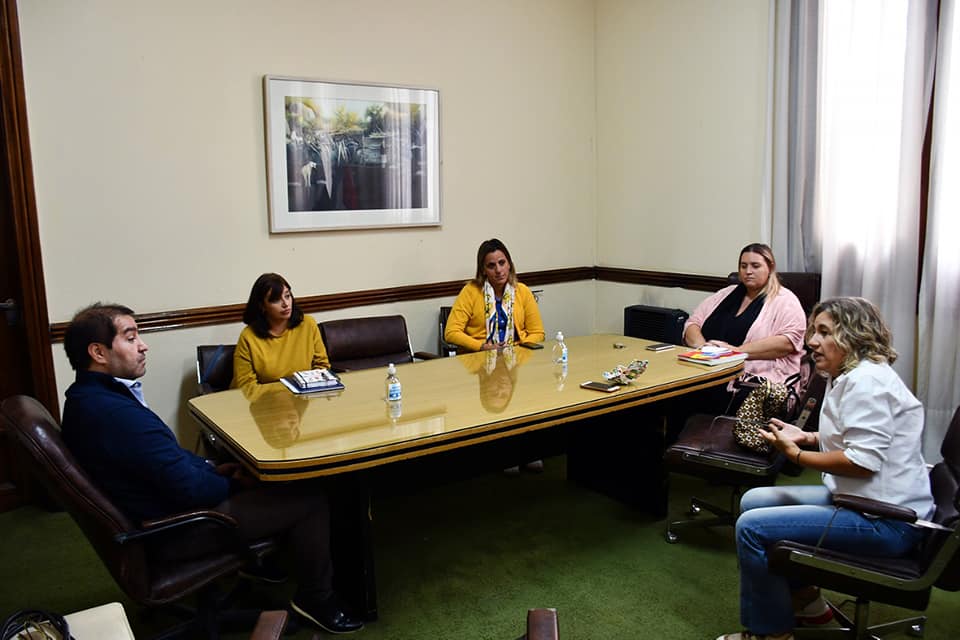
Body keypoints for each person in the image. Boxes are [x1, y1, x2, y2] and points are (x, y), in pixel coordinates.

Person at [60, 303, 362, 634]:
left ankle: (266, 565)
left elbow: (167, 460)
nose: (143, 346)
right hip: (175, 529)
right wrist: (233, 484)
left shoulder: (86, 399)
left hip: (152, 517)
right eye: (131, 338)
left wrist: (214, 468)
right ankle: (316, 598)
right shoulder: (114, 414)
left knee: (264, 478)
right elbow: (189, 489)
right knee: (309, 499)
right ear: (98, 352)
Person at [717, 297, 934, 640]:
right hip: (866, 502)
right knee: (754, 500)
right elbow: (854, 437)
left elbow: (862, 462)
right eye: (812, 331)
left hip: (887, 521)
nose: (811, 342)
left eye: (824, 332)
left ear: (853, 336)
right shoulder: (851, 375)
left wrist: (796, 455)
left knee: (751, 527)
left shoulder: (867, 384)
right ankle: (808, 603)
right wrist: (807, 436)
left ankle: (771, 633)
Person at [682, 243, 807, 413]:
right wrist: (703, 348)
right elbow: (693, 323)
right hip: (707, 370)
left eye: (755, 266)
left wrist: (735, 352)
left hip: (750, 381)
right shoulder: (726, 294)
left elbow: (787, 342)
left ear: (770, 268)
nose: (748, 271)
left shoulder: (785, 300)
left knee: (695, 401)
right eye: (743, 266)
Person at [231, 273, 330, 393]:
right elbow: (246, 386)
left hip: (306, 397)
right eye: (276, 300)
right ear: (262, 306)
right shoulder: (248, 336)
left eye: (287, 296)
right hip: (265, 400)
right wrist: (286, 393)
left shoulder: (308, 324)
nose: (285, 304)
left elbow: (322, 368)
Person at [444, 238, 545, 352]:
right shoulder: (470, 291)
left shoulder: (522, 291)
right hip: (479, 356)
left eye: (502, 263)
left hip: (517, 355)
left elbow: (537, 333)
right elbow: (451, 332)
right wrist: (482, 347)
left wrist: (519, 350)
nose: (498, 270)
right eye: (491, 266)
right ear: (483, 270)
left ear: (509, 264)